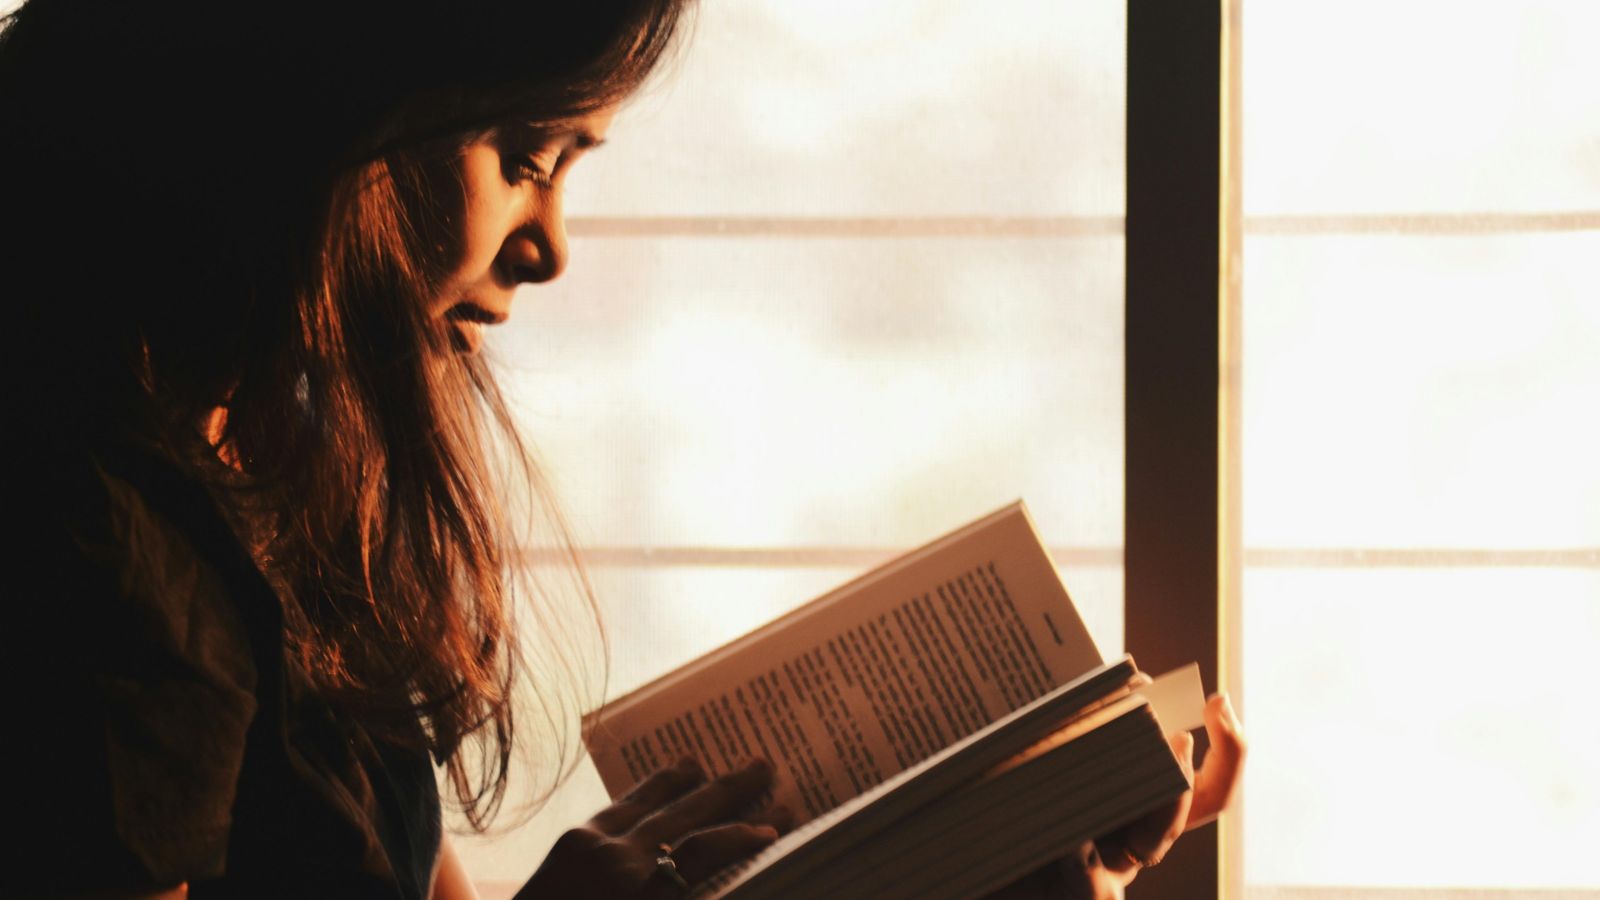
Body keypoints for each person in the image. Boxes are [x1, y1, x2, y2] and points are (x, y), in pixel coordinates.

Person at [0, 0, 1242, 897]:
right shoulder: (93, 555)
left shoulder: (279, 481)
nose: (550, 246)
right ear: (333, 105)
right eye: (525, 159)